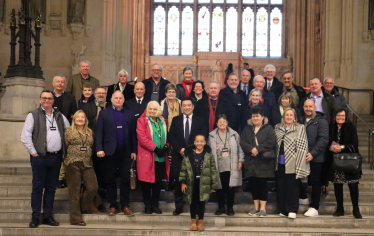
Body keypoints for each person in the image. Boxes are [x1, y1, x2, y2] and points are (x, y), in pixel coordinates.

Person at [21, 90, 70, 228]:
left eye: (49, 98)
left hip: (55, 158)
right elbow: (25, 137)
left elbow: (69, 131)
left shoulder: (59, 116)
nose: (47, 100)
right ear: (40, 100)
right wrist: (34, 154)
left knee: (51, 188)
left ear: (53, 100)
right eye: (44, 98)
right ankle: (35, 216)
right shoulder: (33, 115)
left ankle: (47, 215)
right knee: (37, 187)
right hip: (40, 158)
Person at [95, 91, 137, 216]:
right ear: (111, 100)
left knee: (125, 179)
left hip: (126, 152)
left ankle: (125, 205)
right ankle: (113, 205)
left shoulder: (130, 114)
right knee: (110, 179)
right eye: (116, 98)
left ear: (123, 100)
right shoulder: (104, 114)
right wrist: (99, 148)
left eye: (120, 98)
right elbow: (99, 133)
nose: (118, 100)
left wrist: (134, 150)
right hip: (109, 152)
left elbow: (133, 135)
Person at [169, 97, 207, 216]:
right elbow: (171, 137)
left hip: (195, 156)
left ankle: (194, 207)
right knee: (178, 182)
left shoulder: (200, 120)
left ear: (193, 107)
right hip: (178, 156)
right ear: (181, 108)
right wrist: (180, 149)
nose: (186, 107)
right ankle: (178, 206)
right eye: (184, 105)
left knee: (194, 183)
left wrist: (192, 150)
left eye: (189, 105)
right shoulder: (175, 120)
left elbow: (203, 136)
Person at [241, 107, 276, 218]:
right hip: (251, 161)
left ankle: (263, 208)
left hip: (263, 161)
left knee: (262, 185)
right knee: (253, 185)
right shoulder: (247, 129)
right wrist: (251, 149)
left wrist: (258, 149)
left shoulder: (268, 128)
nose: (255, 118)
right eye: (253, 116)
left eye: (257, 116)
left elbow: (271, 142)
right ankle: (256, 208)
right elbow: (242, 142)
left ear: (262, 117)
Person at [274, 108, 309, 219]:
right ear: (284, 117)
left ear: (294, 117)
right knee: (281, 186)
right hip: (279, 162)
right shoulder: (277, 128)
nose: (289, 117)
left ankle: (292, 209)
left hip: (293, 162)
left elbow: (303, 146)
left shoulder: (300, 128)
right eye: (287, 115)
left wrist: (299, 162)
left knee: (292, 187)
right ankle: (282, 209)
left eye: (291, 115)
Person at [64, 110, 98, 226]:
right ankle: (75, 219)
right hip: (73, 163)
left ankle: (81, 208)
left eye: (82, 117)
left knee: (92, 188)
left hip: (87, 163)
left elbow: (92, 146)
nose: (80, 119)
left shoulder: (89, 132)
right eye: (78, 117)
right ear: (74, 119)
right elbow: (65, 146)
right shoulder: (68, 132)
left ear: (85, 120)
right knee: (74, 191)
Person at [327, 108, 362, 219]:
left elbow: (355, 144)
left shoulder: (351, 128)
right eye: (338, 115)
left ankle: (356, 209)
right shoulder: (331, 127)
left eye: (342, 115)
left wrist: (342, 147)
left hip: (350, 161)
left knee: (353, 185)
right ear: (334, 117)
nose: (340, 117)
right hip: (336, 161)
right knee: (337, 185)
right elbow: (327, 142)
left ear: (346, 117)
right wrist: (331, 147)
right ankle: (340, 209)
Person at [137, 101, 170, 214]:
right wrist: (155, 148)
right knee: (146, 183)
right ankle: (147, 205)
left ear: (158, 110)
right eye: (150, 109)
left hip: (160, 157)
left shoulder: (162, 122)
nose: (152, 111)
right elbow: (142, 139)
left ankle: (155, 205)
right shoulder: (142, 121)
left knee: (157, 182)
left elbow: (167, 137)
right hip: (147, 156)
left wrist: (165, 147)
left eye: (154, 109)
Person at [180, 134, 218, 231]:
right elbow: (183, 170)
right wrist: (183, 182)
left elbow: (213, 170)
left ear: (205, 143)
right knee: (192, 202)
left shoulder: (208, 155)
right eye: (197, 141)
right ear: (194, 143)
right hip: (191, 183)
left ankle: (200, 222)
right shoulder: (188, 155)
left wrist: (213, 184)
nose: (199, 143)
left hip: (204, 183)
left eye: (202, 141)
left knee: (201, 203)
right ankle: (193, 222)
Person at [209, 115, 244, 216]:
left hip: (231, 165)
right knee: (219, 188)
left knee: (230, 188)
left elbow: (240, 148)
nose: (222, 123)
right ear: (216, 124)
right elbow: (209, 151)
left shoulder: (234, 134)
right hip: (218, 165)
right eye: (220, 122)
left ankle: (230, 208)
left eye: (224, 121)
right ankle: (220, 207)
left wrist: (241, 161)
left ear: (227, 123)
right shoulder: (211, 135)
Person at [300, 99, 329, 217]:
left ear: (315, 107)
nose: (308, 109)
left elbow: (323, 140)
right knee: (297, 178)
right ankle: (303, 198)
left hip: (316, 157)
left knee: (315, 182)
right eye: (306, 106)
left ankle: (314, 207)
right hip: (302, 156)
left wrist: (312, 153)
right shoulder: (300, 120)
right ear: (303, 107)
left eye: (310, 107)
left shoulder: (321, 121)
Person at [51, 75, 77, 188]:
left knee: (64, 154)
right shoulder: (48, 96)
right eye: (58, 82)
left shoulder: (70, 97)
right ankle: (52, 178)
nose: (60, 84)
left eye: (62, 82)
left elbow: (74, 115)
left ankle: (61, 178)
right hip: (50, 130)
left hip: (65, 130)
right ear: (53, 83)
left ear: (65, 84)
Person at [82, 86, 107, 198]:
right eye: (99, 93)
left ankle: (103, 192)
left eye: (103, 93)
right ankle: (94, 197)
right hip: (92, 144)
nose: (101, 95)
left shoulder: (110, 107)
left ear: (106, 95)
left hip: (107, 144)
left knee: (105, 170)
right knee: (94, 169)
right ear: (95, 94)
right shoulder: (87, 107)